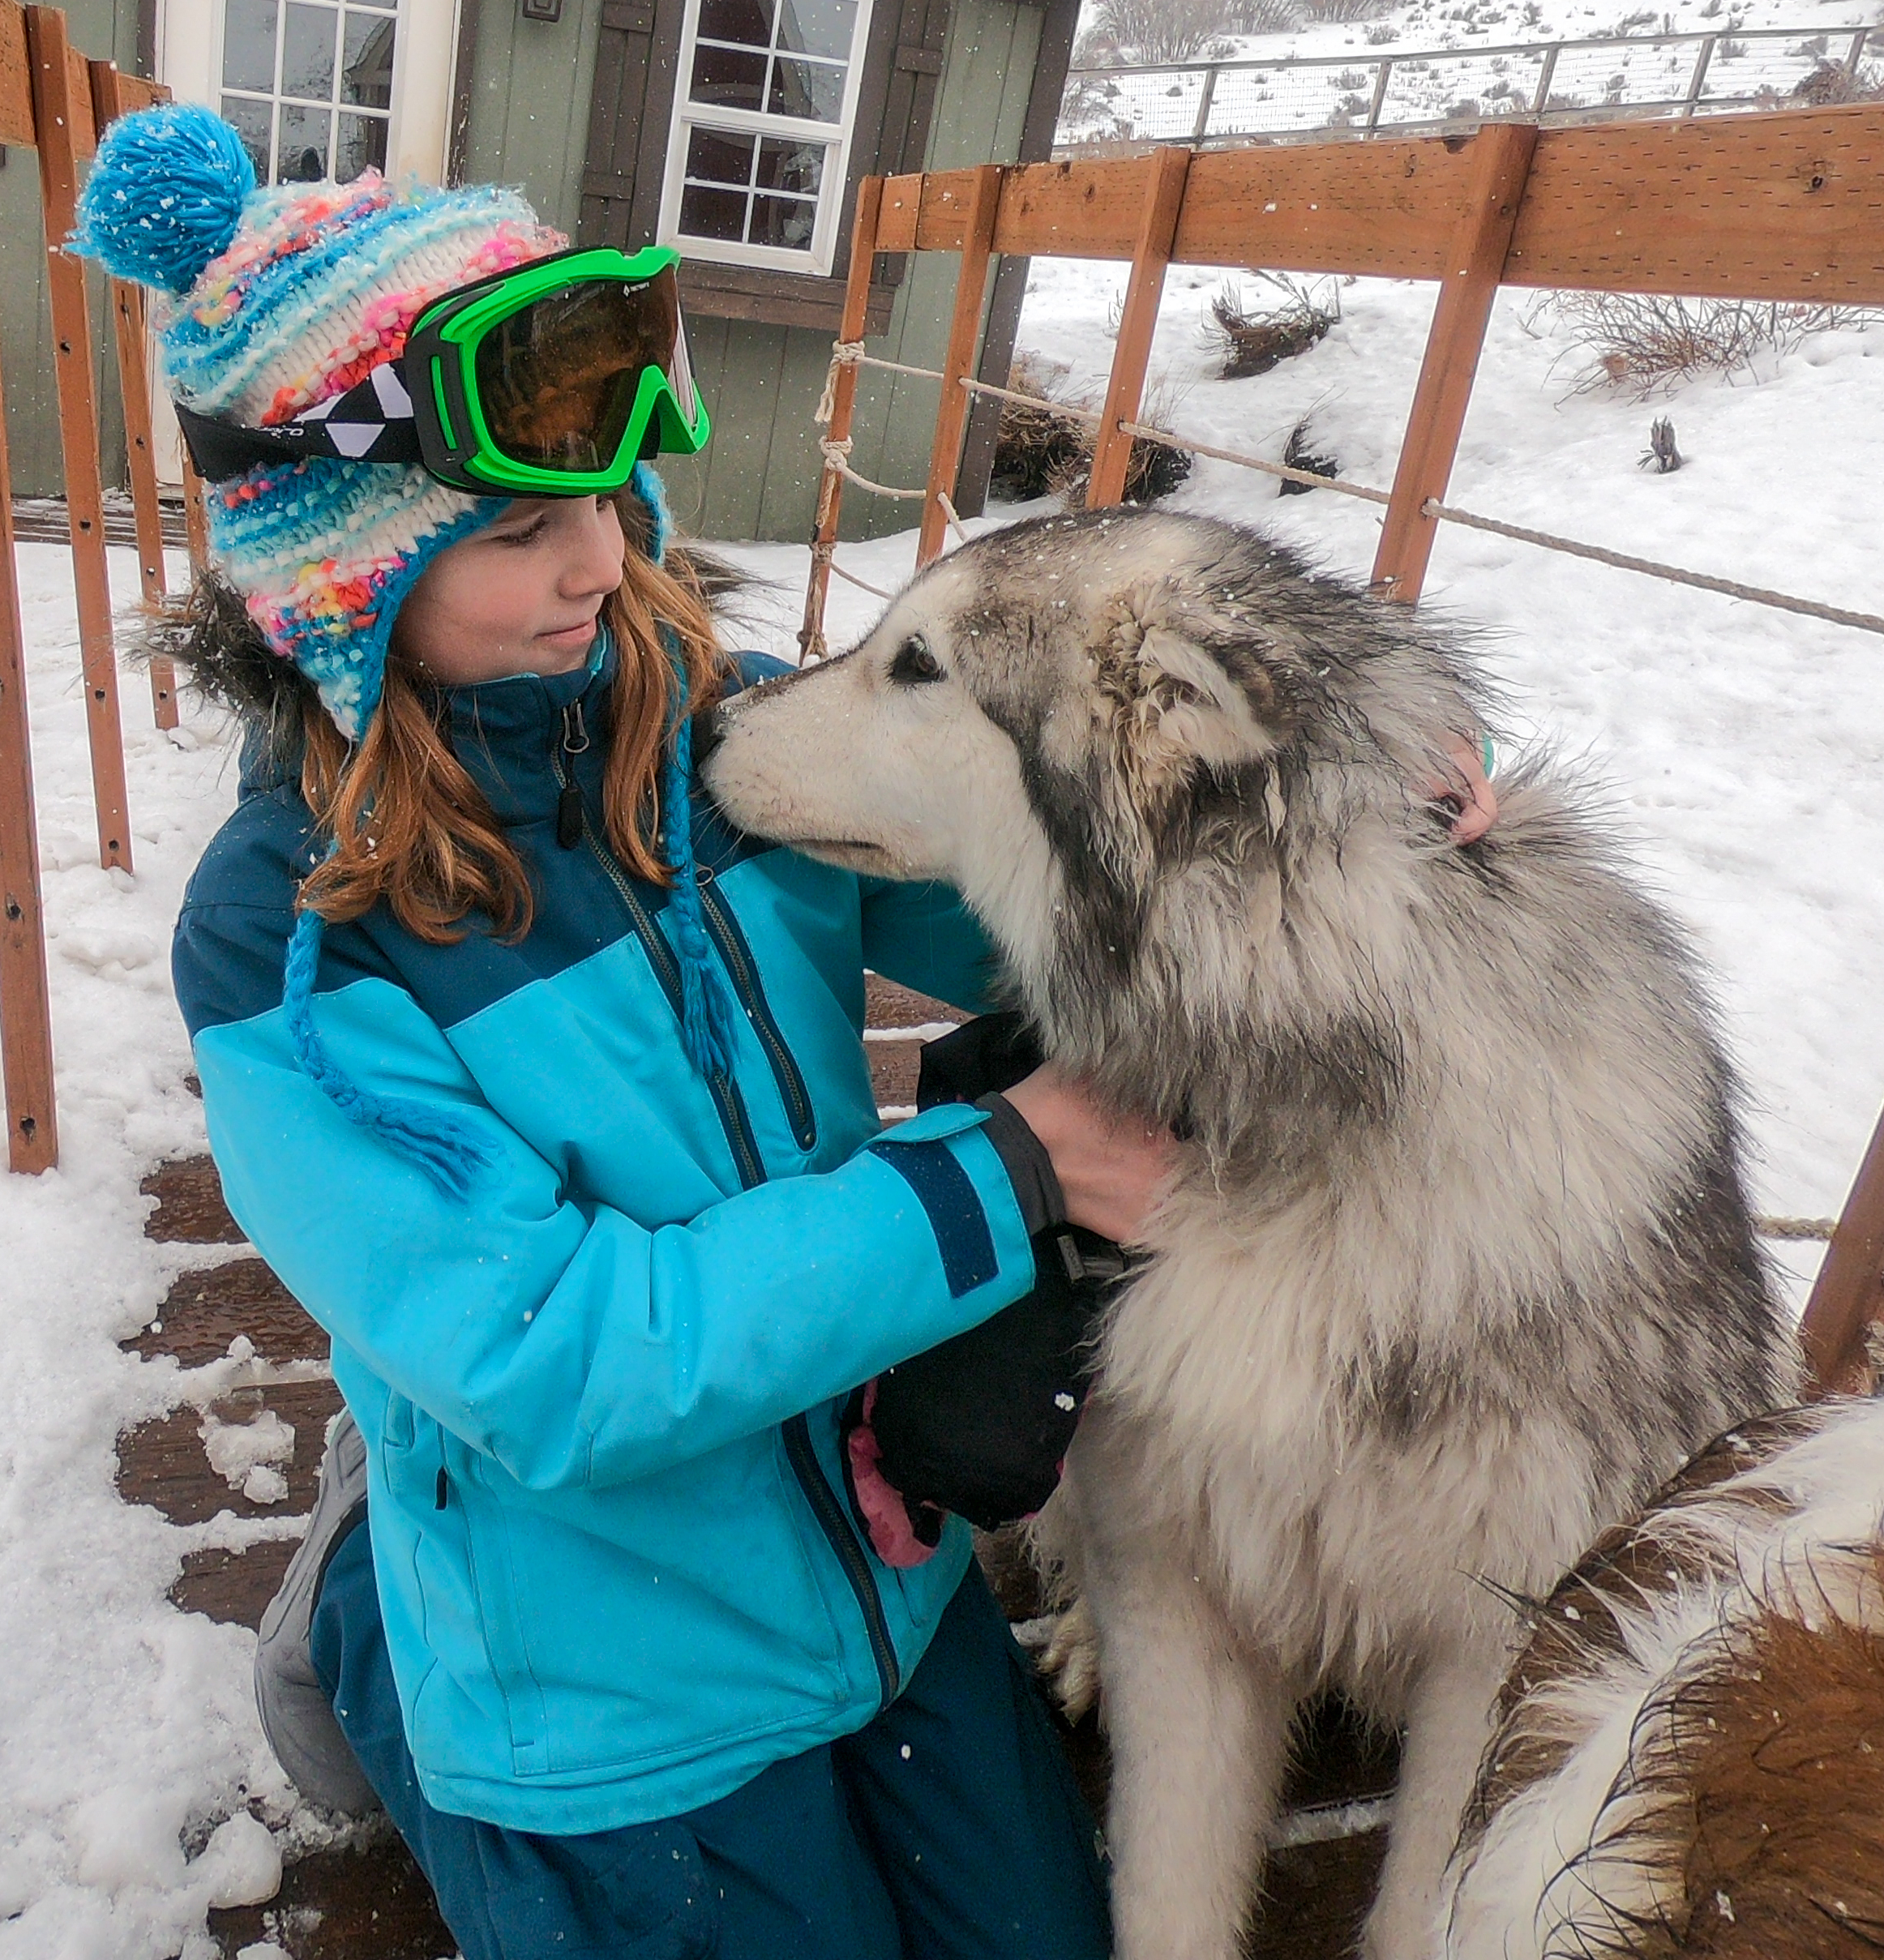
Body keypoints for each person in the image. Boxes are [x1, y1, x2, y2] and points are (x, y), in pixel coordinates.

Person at [76, 105, 1180, 1960]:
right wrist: (1005, 1169)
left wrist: (1301, 816)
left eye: (603, 498)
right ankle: (374, 1614)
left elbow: (1024, 913)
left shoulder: (716, 735)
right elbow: (555, 1358)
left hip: (878, 1556)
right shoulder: (297, 942)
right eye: (515, 531)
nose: (596, 565)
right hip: (598, 1680)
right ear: (340, 571)